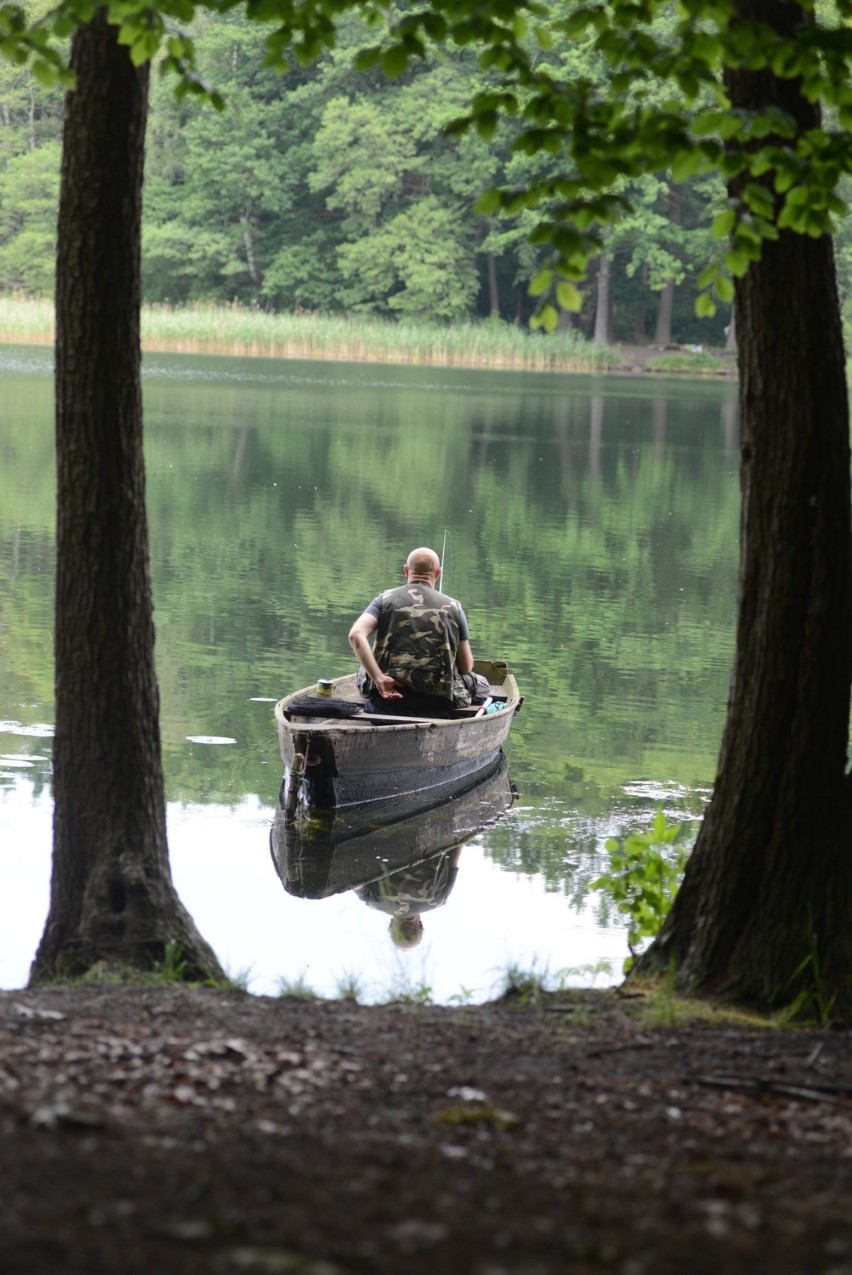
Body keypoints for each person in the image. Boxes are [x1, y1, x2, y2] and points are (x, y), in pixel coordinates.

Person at [348, 546, 474, 718]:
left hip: (386, 701)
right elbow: (466, 666)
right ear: (437, 573)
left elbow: (356, 635)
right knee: (479, 684)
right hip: (435, 705)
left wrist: (379, 679)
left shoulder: (383, 600)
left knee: (364, 669)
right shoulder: (454, 607)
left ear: (406, 570)